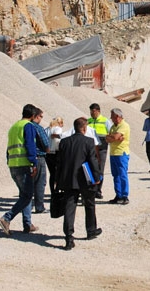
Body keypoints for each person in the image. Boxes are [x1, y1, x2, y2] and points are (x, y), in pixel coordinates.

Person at [56, 117, 102, 250]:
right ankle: (91, 230)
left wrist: (57, 179)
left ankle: (69, 237)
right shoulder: (88, 141)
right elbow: (93, 161)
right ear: (84, 128)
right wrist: (97, 176)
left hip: (69, 179)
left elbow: (59, 162)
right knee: (89, 204)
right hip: (85, 179)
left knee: (70, 208)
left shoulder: (64, 142)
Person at [0, 104, 42, 236]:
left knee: (25, 194)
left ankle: (27, 225)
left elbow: (8, 148)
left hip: (13, 164)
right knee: (27, 195)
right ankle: (6, 218)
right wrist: (34, 162)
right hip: (24, 164)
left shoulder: (14, 127)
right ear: (33, 116)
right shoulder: (28, 126)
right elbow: (30, 144)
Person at [88, 103, 113, 199]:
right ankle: (91, 189)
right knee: (90, 168)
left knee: (100, 169)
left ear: (98, 111)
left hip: (102, 147)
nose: (91, 113)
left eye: (93, 111)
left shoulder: (105, 121)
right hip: (90, 148)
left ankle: (98, 190)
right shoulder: (89, 121)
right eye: (90, 111)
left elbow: (111, 132)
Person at [106, 108, 130, 205]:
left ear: (117, 116)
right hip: (113, 153)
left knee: (122, 174)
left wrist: (113, 137)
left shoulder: (124, 125)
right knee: (115, 175)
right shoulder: (113, 127)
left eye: (112, 116)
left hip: (121, 153)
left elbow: (113, 137)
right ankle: (118, 194)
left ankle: (125, 195)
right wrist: (113, 137)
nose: (111, 118)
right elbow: (107, 138)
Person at [31, 107, 50, 214]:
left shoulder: (22, 126)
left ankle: (27, 205)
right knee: (40, 182)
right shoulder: (38, 128)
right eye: (41, 116)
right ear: (36, 116)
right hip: (39, 157)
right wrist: (47, 150)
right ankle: (39, 206)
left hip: (26, 157)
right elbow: (46, 143)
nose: (41, 119)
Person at [44, 117, 64, 193]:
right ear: (59, 123)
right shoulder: (58, 128)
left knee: (52, 173)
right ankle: (58, 189)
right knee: (59, 172)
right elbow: (58, 139)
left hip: (48, 153)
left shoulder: (46, 129)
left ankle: (53, 191)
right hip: (56, 152)